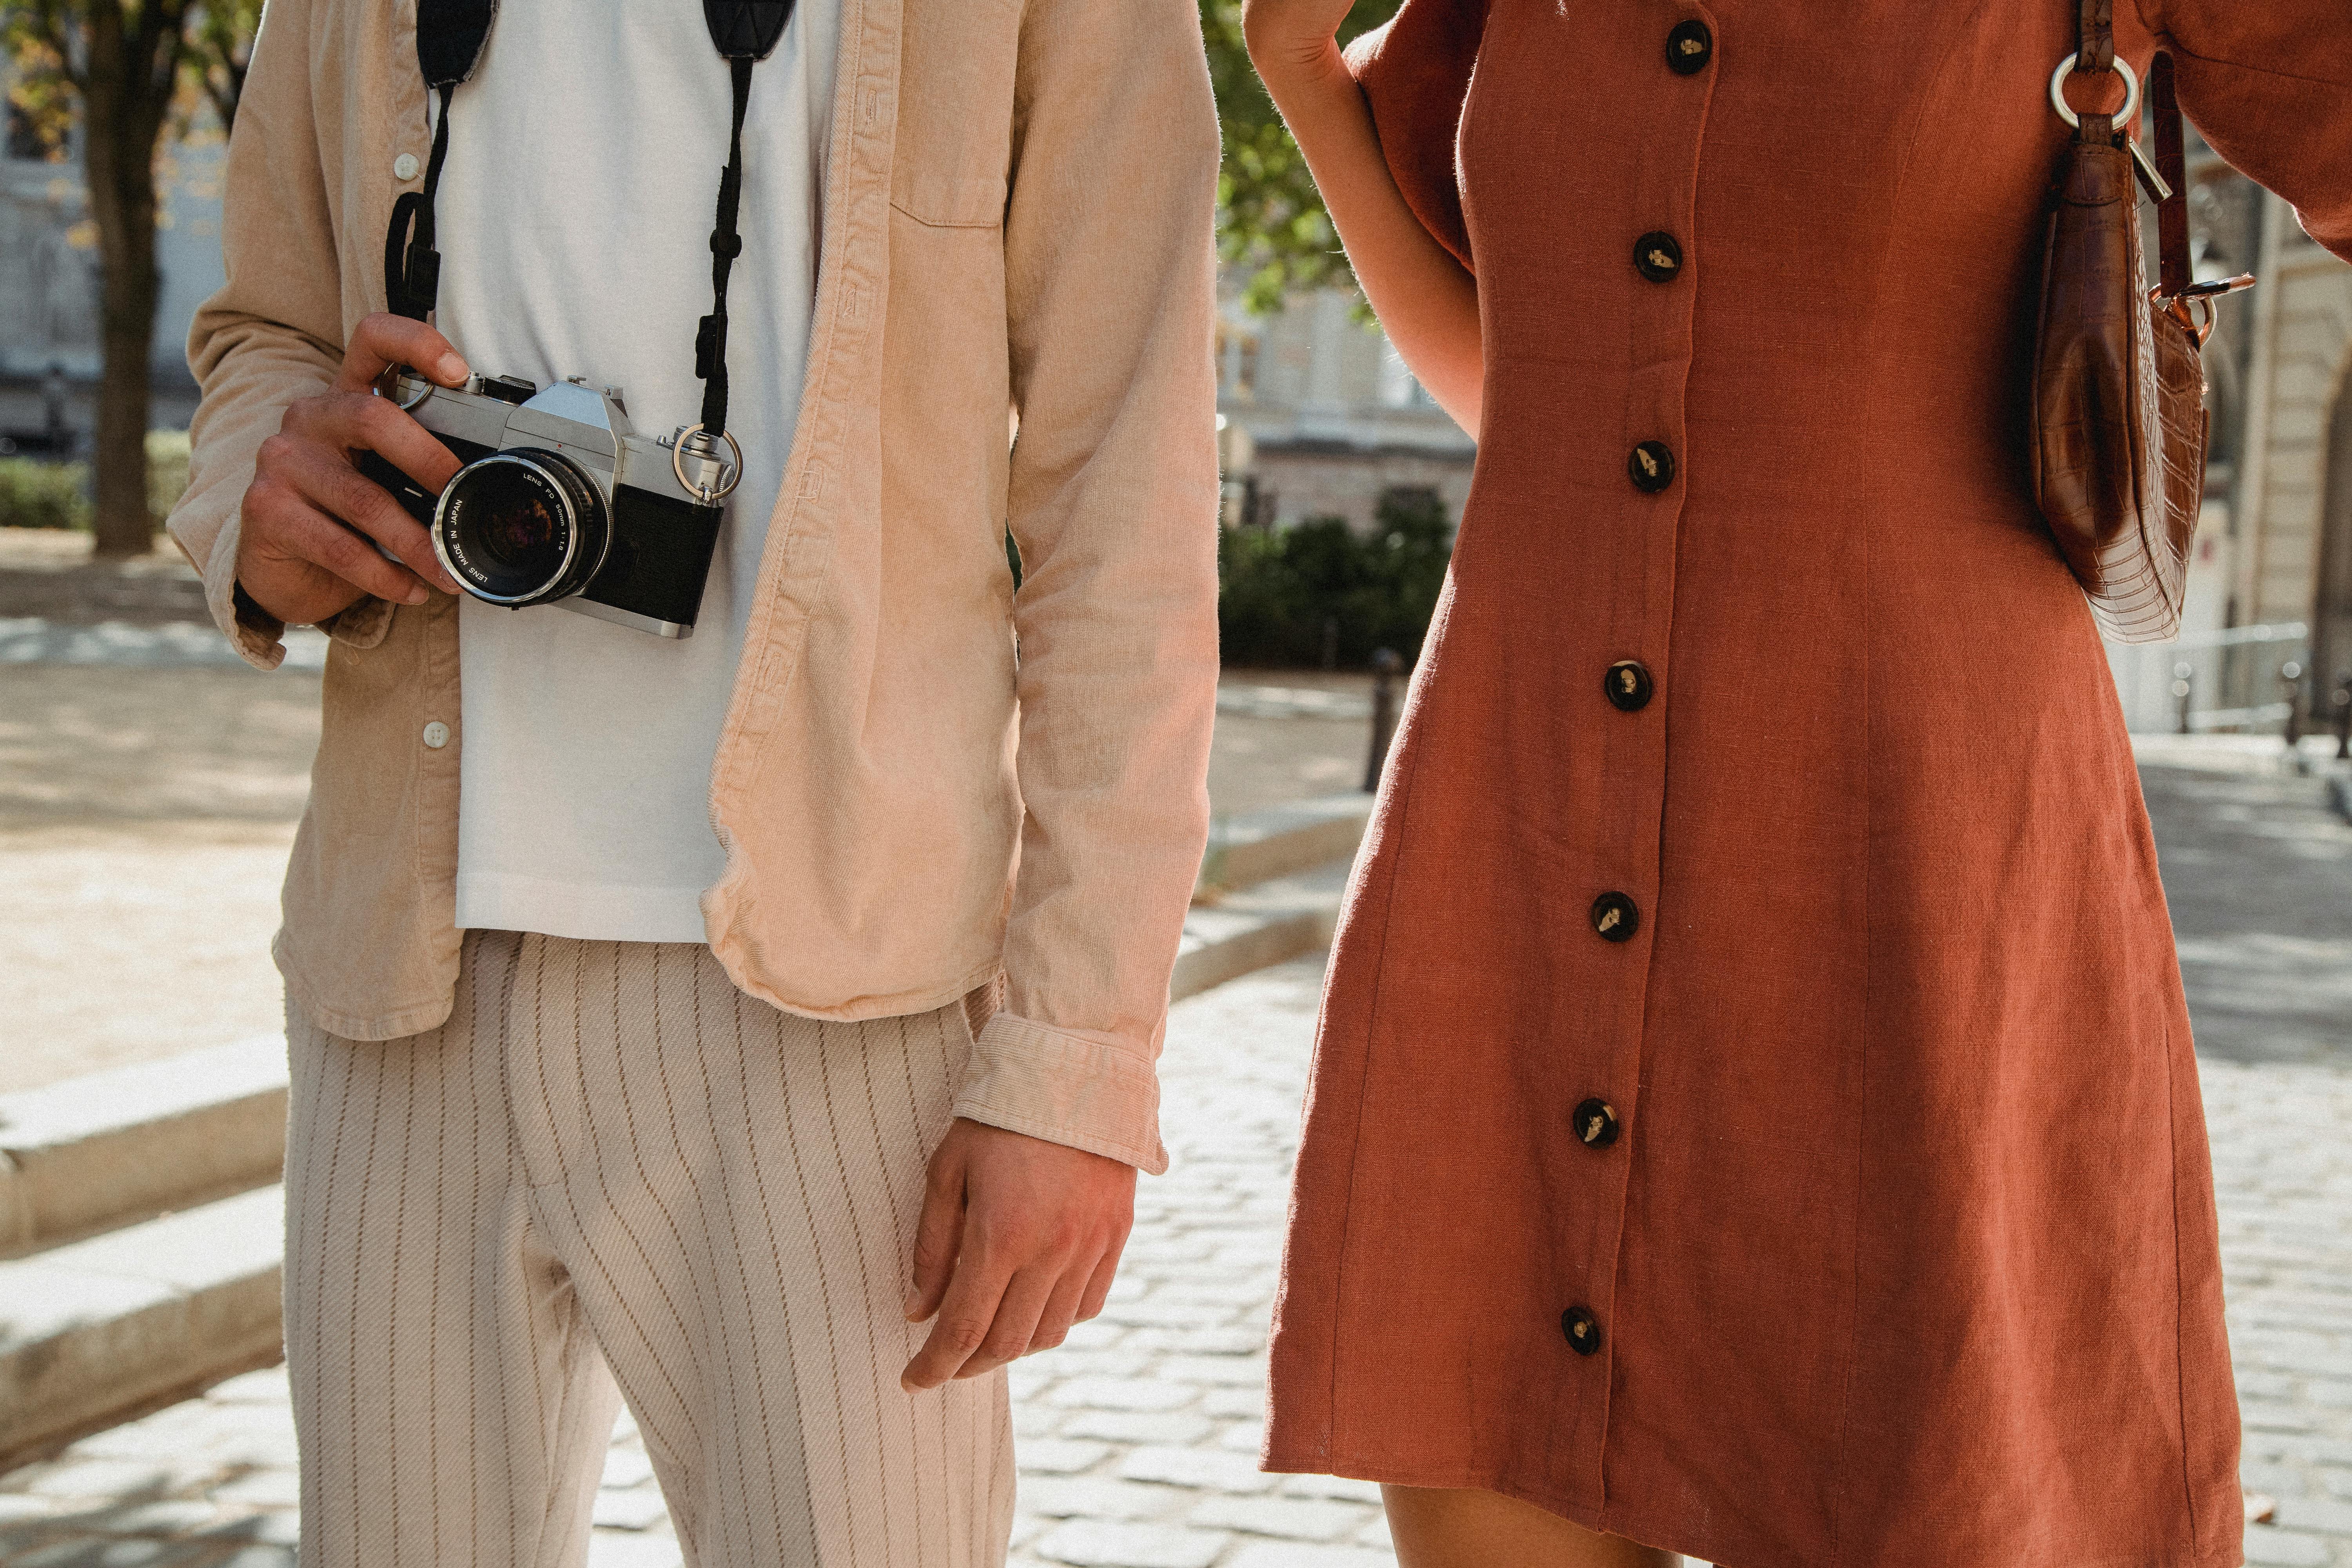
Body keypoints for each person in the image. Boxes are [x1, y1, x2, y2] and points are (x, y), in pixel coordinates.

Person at [1243, 1, 2350, 1565]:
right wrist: (1296, 77)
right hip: (1522, 847)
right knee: (1493, 1458)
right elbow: (1537, 395)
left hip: (1915, 886)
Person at [164, 0, 1220, 1559]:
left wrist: (1077, 1063)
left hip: (837, 1003)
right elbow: (265, 332)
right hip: (399, 981)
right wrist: (264, 492)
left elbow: (1126, 502)